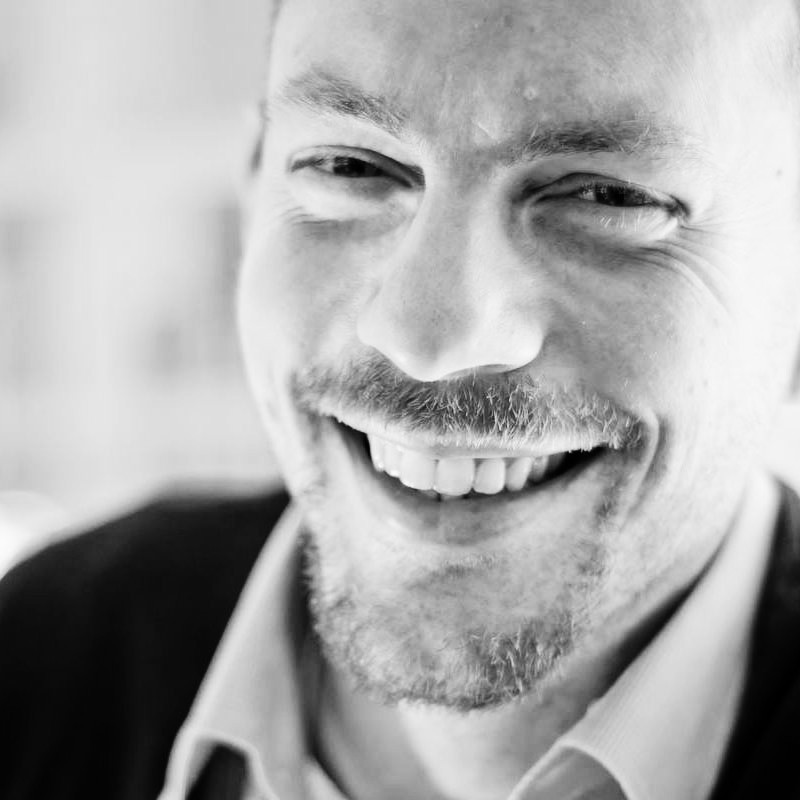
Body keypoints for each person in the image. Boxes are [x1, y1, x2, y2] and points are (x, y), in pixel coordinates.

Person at [3, 0, 800, 797]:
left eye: (607, 197)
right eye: (348, 167)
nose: (426, 342)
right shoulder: (39, 652)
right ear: (252, 198)